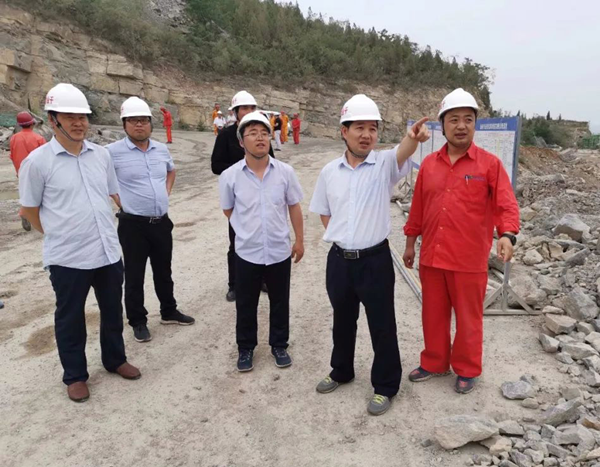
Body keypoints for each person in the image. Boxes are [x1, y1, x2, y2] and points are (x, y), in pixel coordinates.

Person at [18, 83, 140, 403]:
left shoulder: (101, 155)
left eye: (83, 117)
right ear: (52, 120)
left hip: (107, 251)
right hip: (68, 257)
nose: (78, 123)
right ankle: (75, 375)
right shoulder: (37, 162)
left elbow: (111, 194)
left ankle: (115, 359)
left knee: (112, 310)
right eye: (70, 117)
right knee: (70, 317)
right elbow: (29, 210)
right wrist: (58, 234)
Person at [310, 94, 429, 416]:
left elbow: (403, 150)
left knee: (382, 324)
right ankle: (341, 371)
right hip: (339, 261)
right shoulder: (329, 172)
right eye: (359, 127)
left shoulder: (384, 165)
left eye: (372, 128)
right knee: (342, 320)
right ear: (344, 131)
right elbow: (324, 212)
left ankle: (386, 386)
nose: (366, 135)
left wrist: (412, 137)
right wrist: (344, 237)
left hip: (375, 261)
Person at [403, 88, 520, 395]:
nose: (461, 126)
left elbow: (506, 204)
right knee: (433, 314)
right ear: (442, 125)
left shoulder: (490, 165)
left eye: (468, 119)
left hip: (468, 259)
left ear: (474, 124)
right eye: (453, 119)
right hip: (432, 255)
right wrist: (410, 243)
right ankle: (434, 362)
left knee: (469, 319)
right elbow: (418, 208)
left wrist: (507, 234)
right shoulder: (429, 164)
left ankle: (467, 368)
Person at [219, 111, 304, 372]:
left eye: (264, 133)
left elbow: (294, 206)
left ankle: (279, 345)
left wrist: (299, 240)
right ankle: (245, 348)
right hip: (247, 252)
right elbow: (228, 209)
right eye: (253, 133)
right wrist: (246, 230)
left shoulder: (285, 172)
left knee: (280, 301)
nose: (260, 138)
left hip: (279, 250)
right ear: (241, 141)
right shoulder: (230, 176)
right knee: (246, 303)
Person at [106, 97, 195, 344]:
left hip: (161, 222)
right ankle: (138, 320)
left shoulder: (161, 149)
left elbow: (171, 170)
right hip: (133, 225)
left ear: (150, 124)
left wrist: (165, 192)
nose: (139, 125)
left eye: (144, 120)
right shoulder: (111, 152)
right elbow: (103, 180)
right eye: (133, 121)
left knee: (163, 270)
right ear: (124, 124)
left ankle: (169, 311)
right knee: (134, 275)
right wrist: (120, 200)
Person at [211, 90, 275, 302]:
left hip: (261, 194)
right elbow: (216, 165)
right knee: (236, 241)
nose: (248, 111)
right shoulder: (226, 135)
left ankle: (262, 279)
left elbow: (271, 161)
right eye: (244, 108)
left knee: (262, 237)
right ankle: (234, 284)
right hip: (238, 197)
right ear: (236, 112)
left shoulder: (261, 134)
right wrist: (242, 169)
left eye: (251, 108)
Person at [9, 111, 46, 231]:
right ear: (32, 124)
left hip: (21, 171)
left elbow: (12, 155)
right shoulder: (39, 138)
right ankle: (34, 217)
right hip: (37, 172)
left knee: (26, 193)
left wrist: (18, 170)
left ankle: (25, 212)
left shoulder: (14, 138)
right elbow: (46, 158)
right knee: (41, 194)